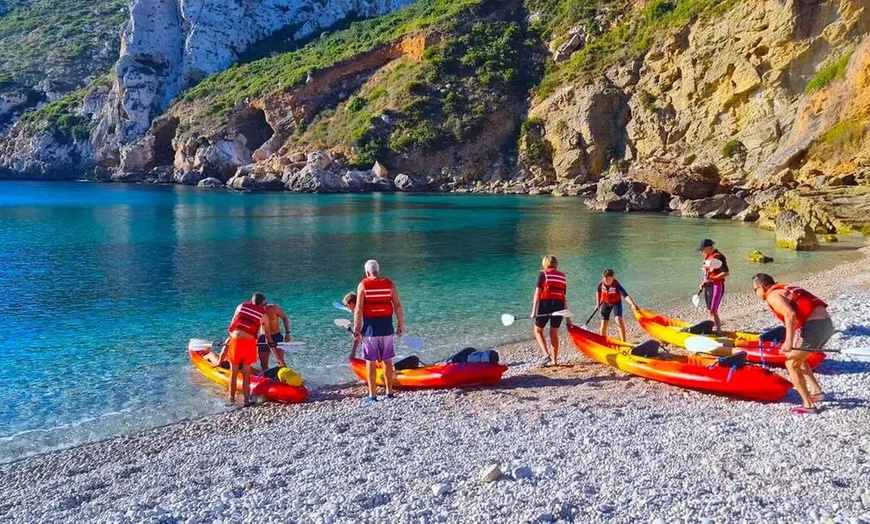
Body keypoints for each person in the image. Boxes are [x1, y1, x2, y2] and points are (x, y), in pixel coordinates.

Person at [752, 274, 832, 414]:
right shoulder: (785, 289)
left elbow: (791, 315)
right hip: (825, 324)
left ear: (763, 287)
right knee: (798, 359)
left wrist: (788, 341)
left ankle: (809, 405)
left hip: (814, 326)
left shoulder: (773, 295)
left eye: (755, 290)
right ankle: (817, 392)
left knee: (791, 363)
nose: (755, 293)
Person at [353, 260, 405, 403]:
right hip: (387, 327)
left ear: (367, 272)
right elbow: (398, 306)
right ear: (378, 271)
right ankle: (389, 393)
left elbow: (358, 309)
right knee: (388, 361)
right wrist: (401, 325)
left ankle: (372, 395)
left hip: (370, 330)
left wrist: (357, 330)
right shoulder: (390, 284)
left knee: (370, 362)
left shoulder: (363, 285)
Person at [218, 292, 275, 406]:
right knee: (246, 373)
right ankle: (246, 402)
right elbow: (268, 337)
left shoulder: (241, 306)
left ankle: (232, 400)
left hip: (235, 341)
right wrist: (275, 353)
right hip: (249, 344)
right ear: (262, 303)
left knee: (233, 372)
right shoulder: (263, 315)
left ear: (251, 301)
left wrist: (231, 340)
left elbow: (232, 327)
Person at [532, 255, 571, 366]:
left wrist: (533, 311)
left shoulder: (542, 274)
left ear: (544, 264)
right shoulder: (562, 276)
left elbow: (537, 294)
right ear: (556, 264)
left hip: (545, 304)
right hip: (559, 306)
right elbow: (564, 297)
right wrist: (568, 318)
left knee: (538, 330)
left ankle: (546, 355)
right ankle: (554, 361)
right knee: (554, 333)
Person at [596, 269, 639, 342]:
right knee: (603, 325)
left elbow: (625, 295)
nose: (606, 281)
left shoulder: (617, 285)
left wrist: (632, 304)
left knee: (618, 320)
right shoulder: (601, 284)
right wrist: (597, 303)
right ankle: (602, 342)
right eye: (605, 279)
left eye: (608, 279)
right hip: (606, 304)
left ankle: (624, 342)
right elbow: (598, 292)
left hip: (616, 303)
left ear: (613, 277)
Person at [698, 239, 729, 332]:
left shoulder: (718, 257)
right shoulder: (707, 257)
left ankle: (719, 331)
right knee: (709, 310)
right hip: (708, 286)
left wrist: (712, 279)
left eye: (702, 249)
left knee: (713, 310)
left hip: (716, 286)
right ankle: (712, 328)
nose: (701, 251)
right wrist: (702, 283)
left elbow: (726, 273)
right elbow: (706, 273)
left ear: (709, 248)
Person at [257, 299, 291, 369]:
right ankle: (268, 379)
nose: (264, 307)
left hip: (276, 336)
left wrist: (287, 333)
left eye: (266, 304)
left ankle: (286, 377)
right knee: (263, 364)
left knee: (280, 361)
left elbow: (284, 318)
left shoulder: (274, 308)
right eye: (262, 305)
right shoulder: (256, 312)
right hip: (263, 338)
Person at [343, 292, 361, 360]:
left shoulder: (358, 314)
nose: (347, 308)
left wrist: (353, 353)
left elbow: (357, 336)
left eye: (346, 305)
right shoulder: (364, 310)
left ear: (351, 303)